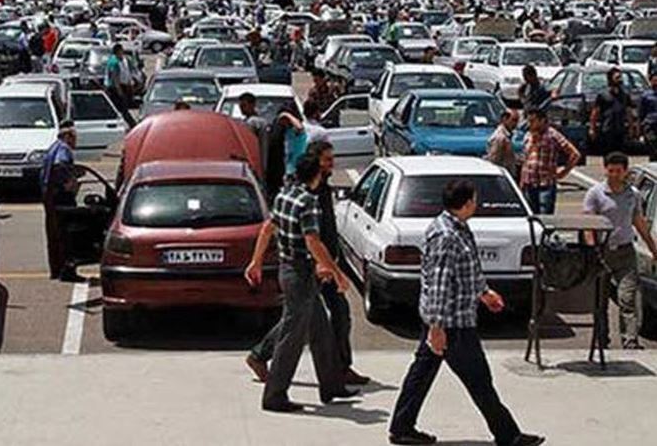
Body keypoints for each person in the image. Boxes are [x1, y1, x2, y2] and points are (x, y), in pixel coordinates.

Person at [388, 178, 544, 446]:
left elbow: (467, 270)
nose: (477, 204)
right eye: (474, 199)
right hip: (452, 323)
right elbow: (440, 283)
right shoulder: (446, 236)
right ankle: (508, 435)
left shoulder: (458, 227)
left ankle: (402, 426)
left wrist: (484, 293)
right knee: (479, 379)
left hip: (448, 318)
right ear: (467, 202)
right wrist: (437, 328)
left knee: (422, 374)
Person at [246, 141, 370, 390]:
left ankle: (336, 374)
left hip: (324, 262)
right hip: (314, 267)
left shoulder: (321, 189)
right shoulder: (306, 195)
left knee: (317, 319)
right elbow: (308, 237)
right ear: (315, 163)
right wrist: (327, 268)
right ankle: (267, 365)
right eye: (327, 160)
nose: (332, 164)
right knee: (302, 321)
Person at [582, 152, 657, 350]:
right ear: (605, 170)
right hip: (602, 253)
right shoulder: (595, 194)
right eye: (611, 171)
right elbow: (588, 225)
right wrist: (592, 249)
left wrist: (652, 248)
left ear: (625, 171)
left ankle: (630, 341)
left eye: (618, 171)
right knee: (600, 302)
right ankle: (601, 341)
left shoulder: (633, 194)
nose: (614, 175)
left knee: (627, 298)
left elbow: (639, 222)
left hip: (625, 253)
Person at [40, 122, 82, 282]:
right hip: (60, 197)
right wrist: (68, 183)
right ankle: (67, 270)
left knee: (54, 234)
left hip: (49, 196)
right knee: (66, 233)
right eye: (74, 137)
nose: (76, 141)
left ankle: (56, 269)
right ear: (67, 136)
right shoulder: (63, 149)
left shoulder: (53, 147)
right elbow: (60, 166)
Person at [519, 109, 579, 215]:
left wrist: (564, 171)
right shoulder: (528, 136)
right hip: (529, 184)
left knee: (545, 216)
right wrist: (522, 182)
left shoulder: (553, 135)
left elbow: (574, 154)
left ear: (542, 120)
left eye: (533, 121)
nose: (530, 124)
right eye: (529, 121)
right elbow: (526, 160)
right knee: (531, 215)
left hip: (545, 185)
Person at [590, 67, 635, 156]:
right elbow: (595, 113)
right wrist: (592, 129)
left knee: (620, 155)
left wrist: (631, 128)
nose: (620, 80)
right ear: (610, 79)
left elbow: (629, 112)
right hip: (607, 130)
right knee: (608, 155)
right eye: (617, 77)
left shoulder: (625, 95)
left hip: (620, 130)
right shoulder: (603, 95)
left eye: (620, 77)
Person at [104, 43, 136, 128]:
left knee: (120, 108)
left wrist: (130, 84)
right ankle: (133, 125)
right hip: (114, 88)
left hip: (123, 86)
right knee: (122, 108)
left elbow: (127, 73)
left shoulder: (123, 60)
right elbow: (115, 78)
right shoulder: (114, 62)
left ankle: (130, 124)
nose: (122, 52)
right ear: (118, 52)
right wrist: (119, 91)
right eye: (121, 51)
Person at [239, 92, 269, 176]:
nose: (242, 109)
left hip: (256, 161)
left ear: (252, 105)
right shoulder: (261, 121)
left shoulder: (253, 122)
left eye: (244, 106)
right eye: (240, 107)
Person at [485, 109, 519, 176]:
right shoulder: (500, 137)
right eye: (513, 120)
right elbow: (493, 160)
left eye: (517, 121)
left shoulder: (508, 136)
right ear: (505, 119)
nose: (515, 124)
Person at [641, 72, 657, 161]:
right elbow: (641, 112)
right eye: (654, 81)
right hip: (650, 124)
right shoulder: (646, 95)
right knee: (652, 144)